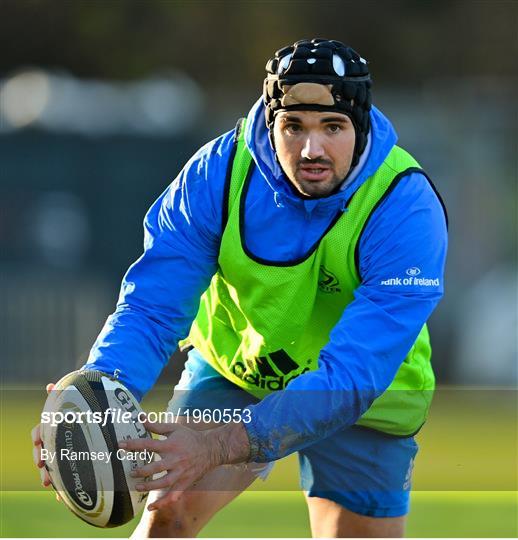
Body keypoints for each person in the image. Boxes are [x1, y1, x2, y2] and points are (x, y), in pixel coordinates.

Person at [33, 38, 448, 538]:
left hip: (366, 396)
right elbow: (152, 307)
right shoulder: (217, 174)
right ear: (270, 123)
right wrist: (97, 395)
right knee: (167, 516)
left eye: (332, 127)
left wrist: (221, 443)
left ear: (359, 128)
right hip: (239, 371)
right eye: (293, 126)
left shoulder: (405, 208)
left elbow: (354, 375)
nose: (312, 149)